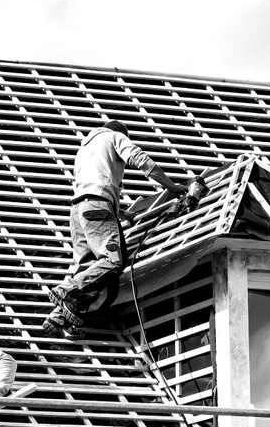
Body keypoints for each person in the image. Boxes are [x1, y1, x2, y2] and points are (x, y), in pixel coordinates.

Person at [42, 120, 188, 339]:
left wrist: (122, 213)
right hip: (98, 206)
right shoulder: (114, 136)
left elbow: (91, 186)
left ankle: (59, 316)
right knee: (113, 261)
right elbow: (142, 162)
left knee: (89, 267)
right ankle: (68, 289)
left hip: (78, 211)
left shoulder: (85, 147)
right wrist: (171, 186)